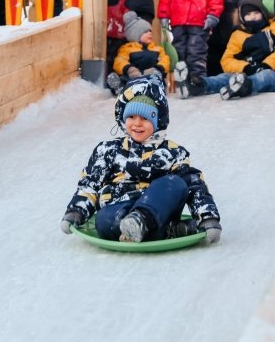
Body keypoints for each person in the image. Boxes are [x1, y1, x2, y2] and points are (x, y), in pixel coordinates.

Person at [59, 76, 222, 244]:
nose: (137, 124)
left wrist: (208, 217)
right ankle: (170, 230)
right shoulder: (108, 150)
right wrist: (76, 211)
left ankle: (142, 222)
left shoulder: (172, 152)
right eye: (131, 117)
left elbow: (194, 185)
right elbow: (90, 183)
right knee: (103, 220)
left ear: (157, 120)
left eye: (145, 118)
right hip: (119, 208)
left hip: (158, 208)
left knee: (175, 183)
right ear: (123, 118)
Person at [174, 0, 275, 100]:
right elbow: (226, 60)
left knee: (265, 76)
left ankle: (244, 87)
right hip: (245, 73)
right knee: (224, 77)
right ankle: (196, 85)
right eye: (248, 14)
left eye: (256, 13)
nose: (252, 17)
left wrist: (267, 64)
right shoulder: (238, 35)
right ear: (242, 18)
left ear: (263, 13)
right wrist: (246, 68)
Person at [106, 11, 170, 96]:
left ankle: (155, 90)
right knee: (125, 79)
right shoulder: (127, 49)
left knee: (157, 79)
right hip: (133, 77)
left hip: (151, 76)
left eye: (150, 31)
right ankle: (121, 88)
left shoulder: (157, 49)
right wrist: (129, 69)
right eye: (145, 32)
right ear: (135, 35)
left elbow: (165, 60)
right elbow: (119, 61)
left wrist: (157, 69)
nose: (150, 33)